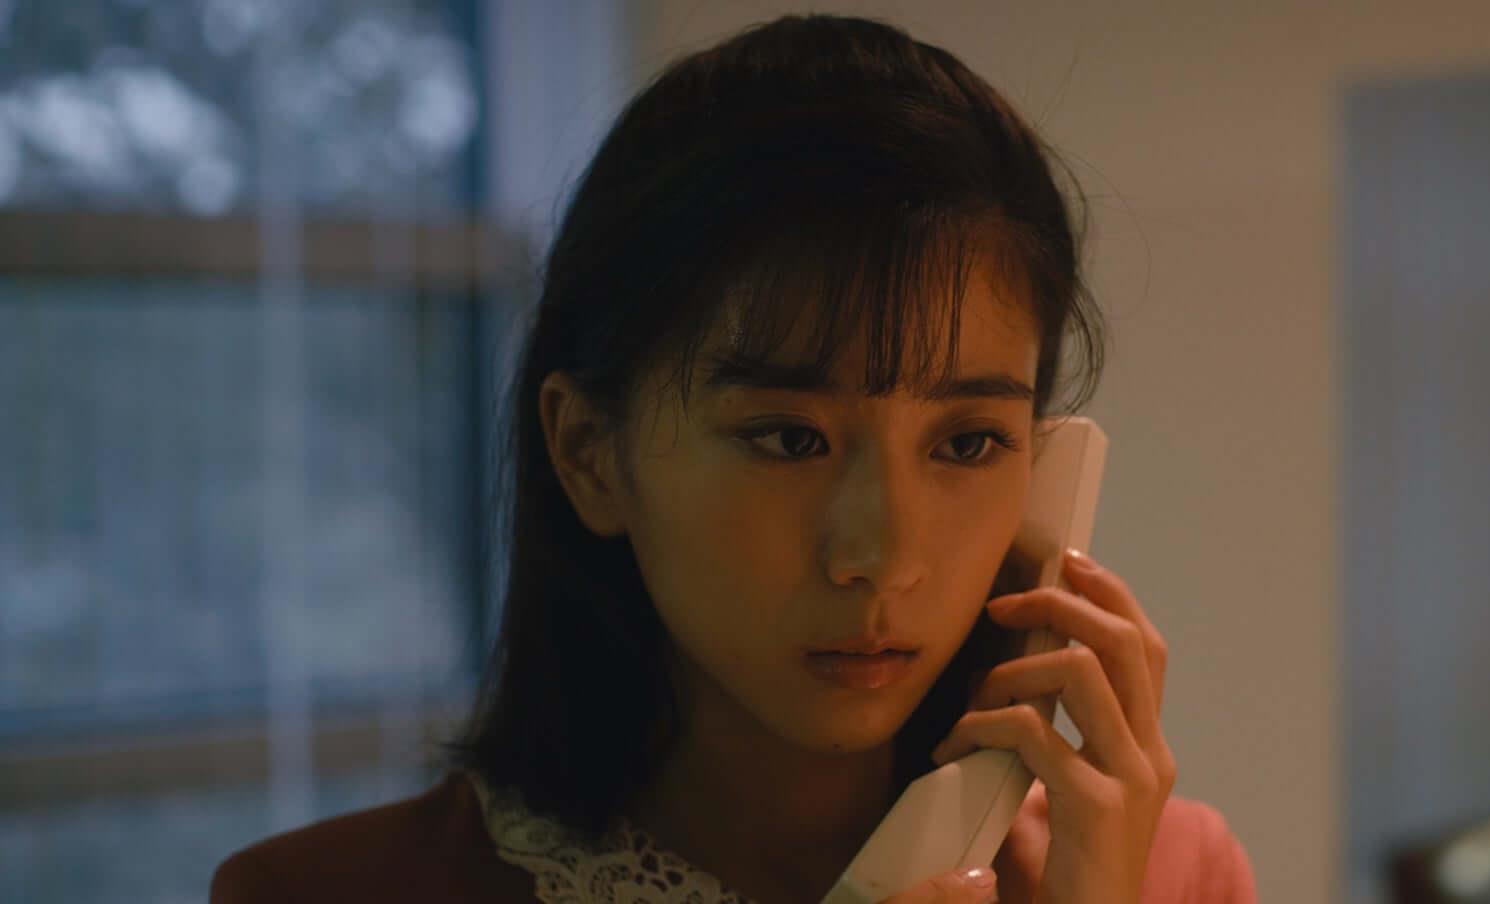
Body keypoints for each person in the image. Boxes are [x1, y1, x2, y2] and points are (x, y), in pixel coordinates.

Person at [210, 13, 1254, 904]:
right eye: (790, 438)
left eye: (968, 442)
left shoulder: (1159, 873)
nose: (882, 557)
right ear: (589, 452)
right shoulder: (319, 892)